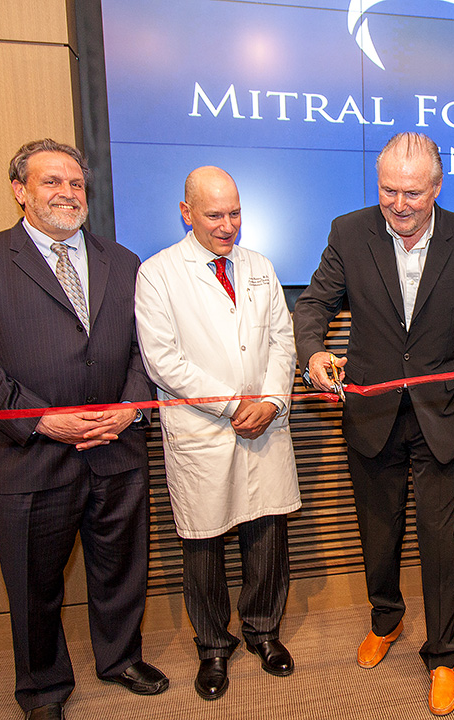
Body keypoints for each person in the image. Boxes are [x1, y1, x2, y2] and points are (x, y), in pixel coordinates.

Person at [0, 139, 168, 720]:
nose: (67, 193)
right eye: (51, 182)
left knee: (120, 571)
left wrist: (132, 407)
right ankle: (42, 689)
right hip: (32, 456)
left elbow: (145, 352)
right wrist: (43, 420)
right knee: (33, 583)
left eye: (75, 184)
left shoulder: (124, 262)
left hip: (117, 448)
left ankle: (120, 660)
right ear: (20, 191)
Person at [292, 132, 454, 716]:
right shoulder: (347, 231)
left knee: (440, 539)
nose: (399, 204)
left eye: (412, 192)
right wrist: (311, 353)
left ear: (436, 188)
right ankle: (385, 619)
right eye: (389, 190)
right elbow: (313, 304)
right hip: (372, 413)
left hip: (442, 416)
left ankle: (442, 655)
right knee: (378, 532)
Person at [135, 167, 301, 700]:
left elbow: (282, 339)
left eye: (234, 213)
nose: (228, 225)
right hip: (204, 428)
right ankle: (212, 646)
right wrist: (233, 404)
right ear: (186, 213)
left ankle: (264, 632)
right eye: (214, 215)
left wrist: (272, 399)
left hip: (264, 424)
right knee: (203, 542)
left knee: (267, 535)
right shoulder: (157, 274)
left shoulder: (259, 266)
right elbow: (163, 360)